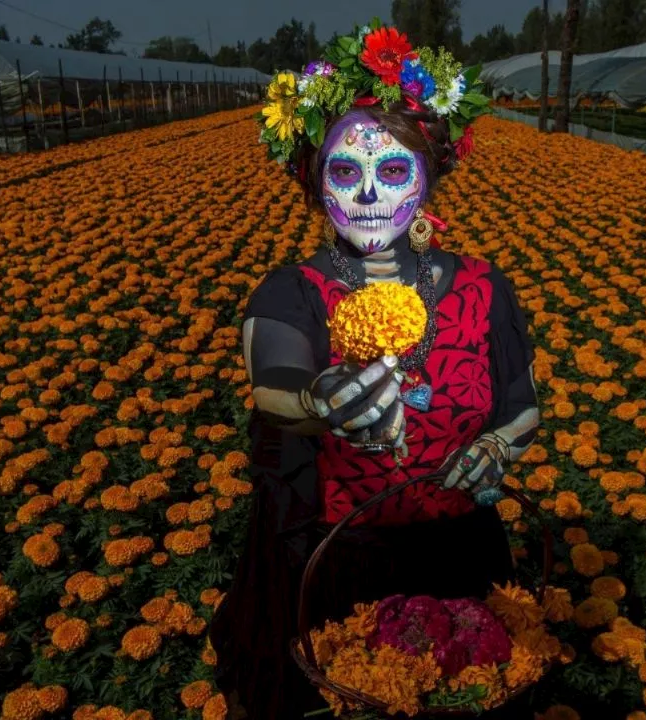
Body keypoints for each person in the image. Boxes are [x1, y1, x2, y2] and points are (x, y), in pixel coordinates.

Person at [209, 22, 539, 720]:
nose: (367, 195)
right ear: (312, 179)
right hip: (336, 567)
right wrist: (323, 400)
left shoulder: (485, 287)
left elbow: (520, 400)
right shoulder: (291, 292)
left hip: (459, 559)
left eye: (392, 171)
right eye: (344, 171)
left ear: (430, 177)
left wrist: (495, 447)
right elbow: (273, 383)